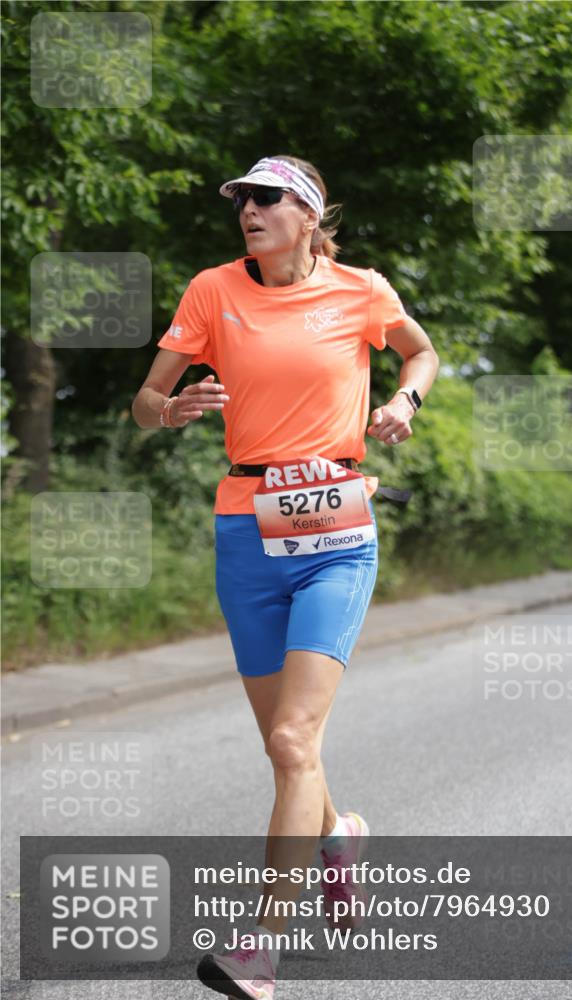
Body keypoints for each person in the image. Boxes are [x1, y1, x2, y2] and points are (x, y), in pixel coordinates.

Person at [131, 154, 439, 999]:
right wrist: (172, 407)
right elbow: (146, 400)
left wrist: (402, 404)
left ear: (308, 214)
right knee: (286, 746)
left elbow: (421, 354)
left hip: (337, 529)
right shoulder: (211, 291)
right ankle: (341, 833)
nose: (249, 211)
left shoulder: (360, 290)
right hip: (247, 530)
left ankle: (260, 947)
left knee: (293, 741)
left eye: (268, 199)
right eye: (242, 200)